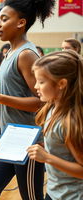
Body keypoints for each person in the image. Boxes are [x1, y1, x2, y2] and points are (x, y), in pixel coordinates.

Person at [0, 0, 56, 200]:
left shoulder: (27, 54)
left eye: (4, 19)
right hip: (8, 135)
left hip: (28, 139)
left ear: (21, 23)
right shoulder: (9, 53)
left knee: (31, 197)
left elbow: (41, 102)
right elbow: (16, 92)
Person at [27, 50, 83, 200]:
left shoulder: (69, 121)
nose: (36, 86)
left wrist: (47, 157)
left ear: (61, 84)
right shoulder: (52, 107)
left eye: (41, 81)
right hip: (54, 191)